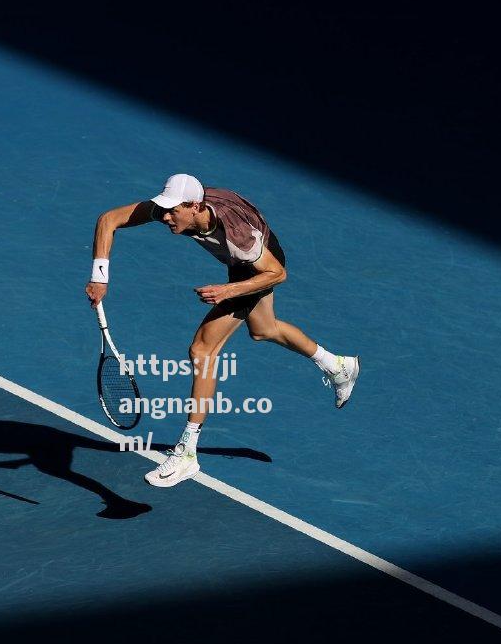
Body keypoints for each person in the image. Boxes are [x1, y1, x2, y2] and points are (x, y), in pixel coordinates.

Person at [85, 174, 360, 488]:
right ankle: (337, 366)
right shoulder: (178, 208)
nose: (165, 216)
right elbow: (109, 219)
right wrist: (100, 277)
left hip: (259, 265)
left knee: (203, 349)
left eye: (173, 211)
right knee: (263, 329)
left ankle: (187, 450)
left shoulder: (238, 236)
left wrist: (229, 291)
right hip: (243, 260)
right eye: (164, 208)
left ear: (196, 206)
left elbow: (276, 273)